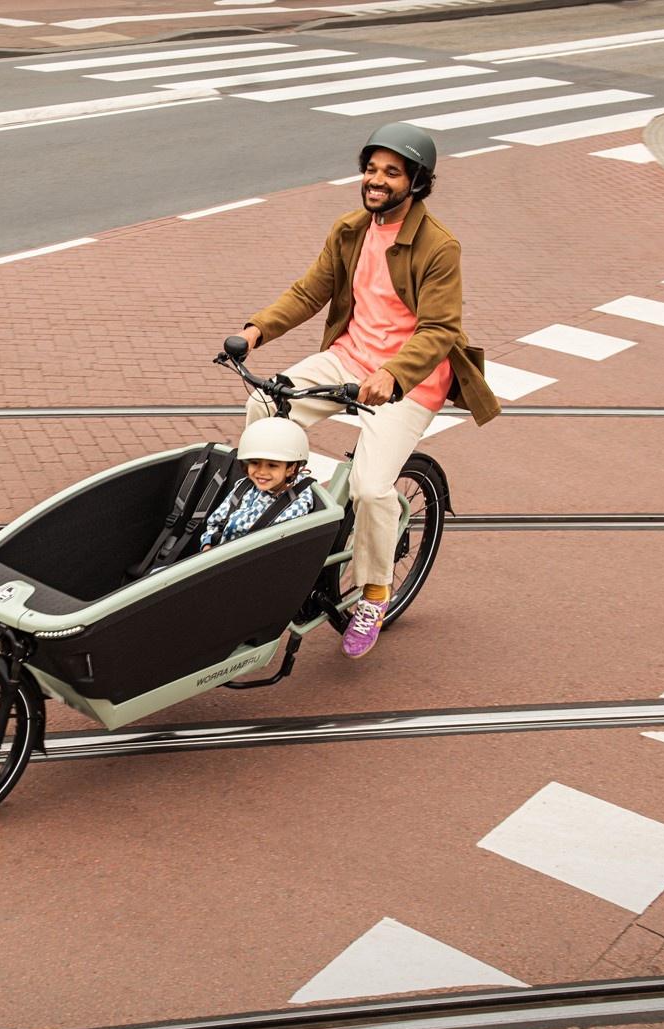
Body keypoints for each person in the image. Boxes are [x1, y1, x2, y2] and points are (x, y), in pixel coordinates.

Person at [233, 121, 501, 658]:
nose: (376, 180)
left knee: (373, 488)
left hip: (409, 380)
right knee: (264, 403)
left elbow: (440, 328)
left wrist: (394, 375)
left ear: (416, 182)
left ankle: (375, 593)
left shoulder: (438, 246)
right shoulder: (350, 229)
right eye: (372, 169)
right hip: (349, 358)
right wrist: (255, 330)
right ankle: (288, 505)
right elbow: (313, 289)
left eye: (391, 173)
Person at [200, 417, 319, 551]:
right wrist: (207, 542)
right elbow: (216, 521)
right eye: (255, 463)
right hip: (217, 552)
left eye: (272, 465)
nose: (261, 472)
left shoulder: (295, 504)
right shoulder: (244, 486)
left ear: (291, 468)